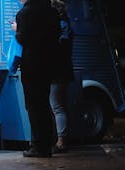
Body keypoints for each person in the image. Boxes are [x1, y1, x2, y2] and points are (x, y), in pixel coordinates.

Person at [14, 0, 60, 157]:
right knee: (44, 103)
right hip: (49, 63)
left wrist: (16, 30)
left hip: (32, 63)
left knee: (33, 105)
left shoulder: (24, 13)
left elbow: (23, 38)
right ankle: (48, 145)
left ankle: (38, 146)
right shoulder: (52, 11)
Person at [49, 0, 74, 153]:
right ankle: (62, 138)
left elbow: (58, 47)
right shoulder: (66, 25)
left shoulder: (61, 26)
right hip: (63, 69)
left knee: (57, 106)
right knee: (59, 105)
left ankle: (61, 141)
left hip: (57, 70)